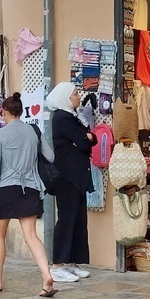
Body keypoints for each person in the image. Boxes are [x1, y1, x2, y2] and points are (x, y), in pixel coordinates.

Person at [0, 92, 55, 297]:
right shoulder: (33, 131)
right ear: (21, 111)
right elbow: (50, 156)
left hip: (6, 188)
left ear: (5, 112)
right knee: (31, 235)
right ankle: (46, 276)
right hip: (30, 188)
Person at [46, 82, 96, 283]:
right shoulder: (62, 118)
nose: (78, 97)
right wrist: (86, 138)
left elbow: (88, 139)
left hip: (77, 175)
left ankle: (71, 262)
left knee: (78, 220)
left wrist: (87, 138)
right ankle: (57, 265)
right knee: (66, 220)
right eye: (75, 94)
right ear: (65, 98)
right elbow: (85, 141)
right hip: (66, 177)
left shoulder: (72, 117)